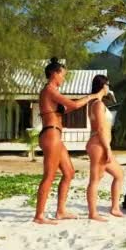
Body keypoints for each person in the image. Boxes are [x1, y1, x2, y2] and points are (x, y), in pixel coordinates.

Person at [33, 58, 107, 225]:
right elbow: (73, 106)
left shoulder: (52, 92)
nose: (63, 79)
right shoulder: (49, 90)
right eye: (63, 75)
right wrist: (93, 96)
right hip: (51, 134)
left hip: (55, 135)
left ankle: (60, 211)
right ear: (54, 74)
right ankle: (39, 216)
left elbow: (67, 107)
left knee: (69, 173)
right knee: (49, 176)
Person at [85, 75, 124, 222]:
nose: (109, 88)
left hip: (98, 144)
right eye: (108, 85)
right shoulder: (98, 105)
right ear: (103, 86)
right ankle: (93, 213)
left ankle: (114, 207)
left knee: (118, 174)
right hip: (99, 144)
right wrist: (107, 148)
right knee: (95, 179)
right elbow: (101, 128)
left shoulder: (96, 104)